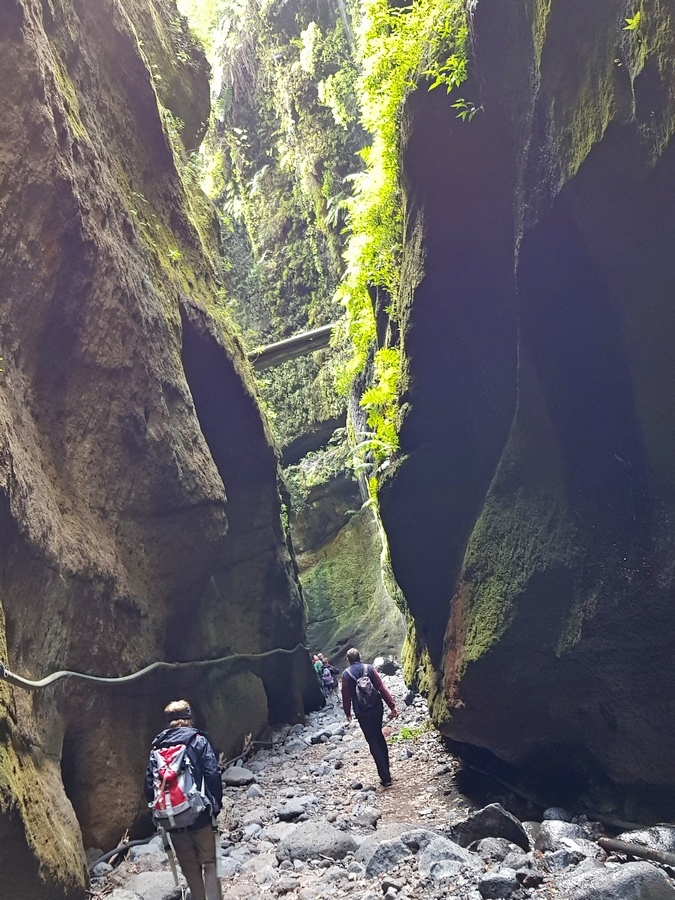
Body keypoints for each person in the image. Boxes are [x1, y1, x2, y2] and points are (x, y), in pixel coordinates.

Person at [145, 700, 223, 900]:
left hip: (172, 818)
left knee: (190, 867)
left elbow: (148, 786)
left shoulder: (156, 748)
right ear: (189, 718)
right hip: (199, 815)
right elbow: (212, 773)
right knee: (210, 862)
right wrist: (215, 805)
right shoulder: (197, 740)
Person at [341, 648, 398, 787]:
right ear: (360, 657)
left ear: (349, 660)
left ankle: (385, 777)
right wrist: (392, 706)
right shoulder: (370, 668)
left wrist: (348, 713)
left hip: (362, 711)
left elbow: (346, 695)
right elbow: (381, 688)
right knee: (379, 736)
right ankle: (387, 772)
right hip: (376, 707)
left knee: (372, 740)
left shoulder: (346, 674)